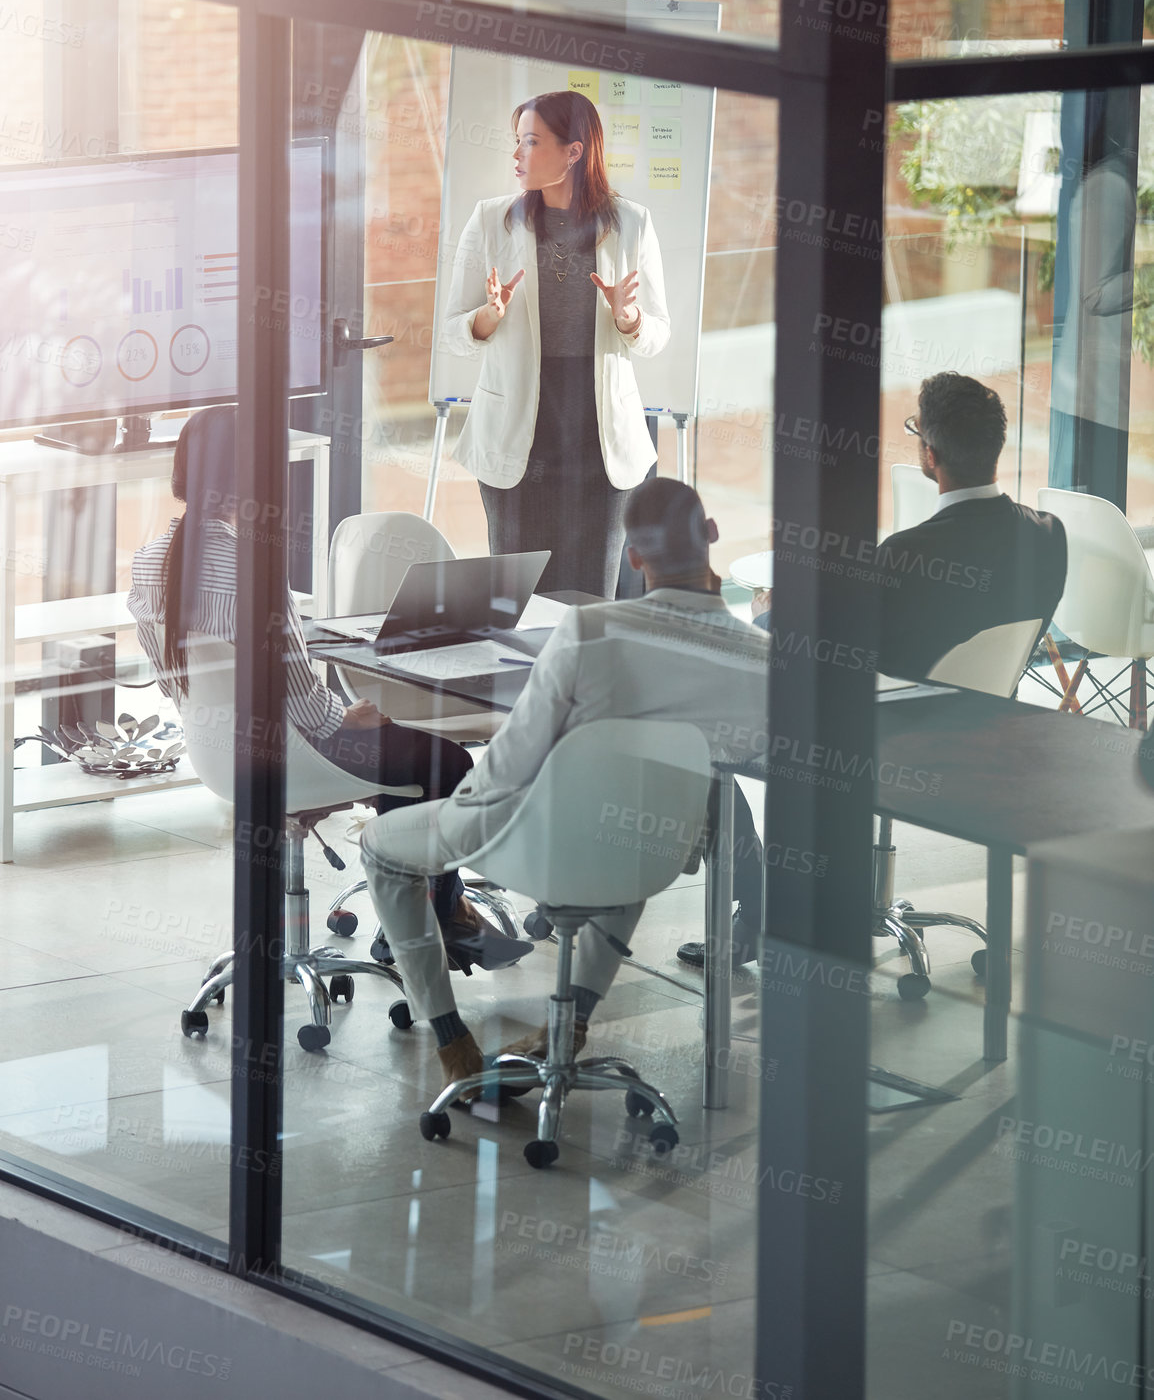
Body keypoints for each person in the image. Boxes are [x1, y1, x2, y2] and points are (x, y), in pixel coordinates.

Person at [358, 477, 770, 1100]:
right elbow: (742, 755)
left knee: (382, 847)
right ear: (711, 535)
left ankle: (451, 1042)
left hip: (541, 842)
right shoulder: (760, 656)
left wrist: (463, 814)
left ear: (632, 556)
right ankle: (570, 1021)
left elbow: (512, 762)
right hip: (653, 846)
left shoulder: (590, 630)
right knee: (627, 831)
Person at [127, 405, 530, 971]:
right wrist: (350, 717)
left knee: (403, 758)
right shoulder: (254, 570)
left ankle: (418, 919)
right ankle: (437, 919)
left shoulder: (147, 564)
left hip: (223, 756)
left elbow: (176, 682)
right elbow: (307, 709)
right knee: (445, 762)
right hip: (295, 753)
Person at [442, 90, 670, 598]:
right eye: (516, 142)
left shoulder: (631, 223)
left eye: (531, 142)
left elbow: (656, 335)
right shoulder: (490, 220)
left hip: (600, 437)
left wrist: (627, 316)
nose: (517, 155)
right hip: (517, 432)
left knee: (589, 604)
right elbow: (452, 333)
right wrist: (489, 315)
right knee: (516, 601)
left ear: (574, 151)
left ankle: (583, 682)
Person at [876, 373, 1067, 681]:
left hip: (908, 720)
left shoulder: (899, 556)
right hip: (997, 714)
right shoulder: (1049, 534)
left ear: (930, 454)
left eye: (916, 429)